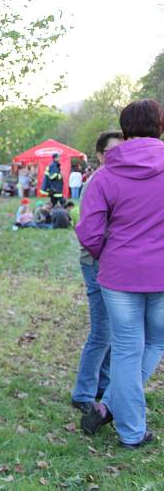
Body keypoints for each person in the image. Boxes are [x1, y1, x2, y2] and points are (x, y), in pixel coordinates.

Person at [76, 99, 164, 449]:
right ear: (160, 126)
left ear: (124, 129)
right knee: (154, 343)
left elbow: (90, 232)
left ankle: (116, 410)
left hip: (119, 275)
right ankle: (127, 423)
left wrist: (108, 256)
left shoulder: (106, 174)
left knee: (128, 350)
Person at [70, 131, 123, 415]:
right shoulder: (96, 182)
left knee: (114, 331)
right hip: (96, 263)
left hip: (113, 264)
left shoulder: (118, 180)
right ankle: (83, 393)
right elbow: (90, 233)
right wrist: (107, 254)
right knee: (102, 332)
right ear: (101, 155)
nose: (119, 155)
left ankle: (102, 385)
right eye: (113, 151)